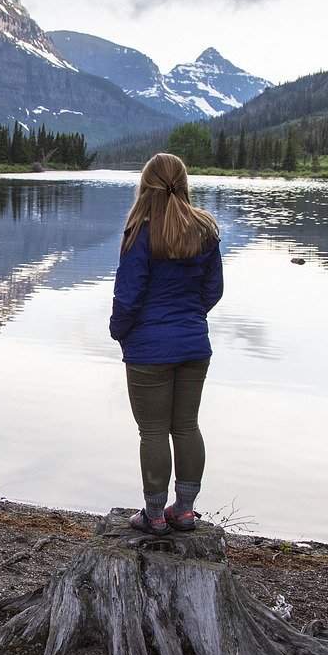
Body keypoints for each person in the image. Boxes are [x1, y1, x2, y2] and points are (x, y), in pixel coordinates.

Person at [109, 153, 224, 535]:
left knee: (153, 431)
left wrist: (120, 331)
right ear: (183, 183)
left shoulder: (140, 232)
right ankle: (185, 511)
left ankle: (155, 515)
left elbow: (128, 296)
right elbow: (213, 291)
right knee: (187, 426)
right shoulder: (205, 230)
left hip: (148, 349)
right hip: (194, 346)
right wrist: (191, 318)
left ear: (146, 185)